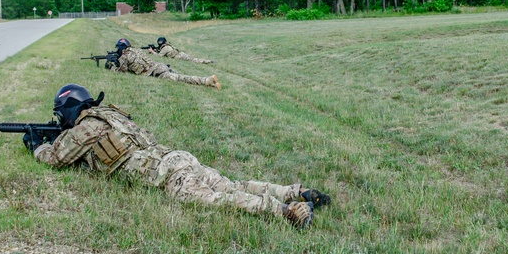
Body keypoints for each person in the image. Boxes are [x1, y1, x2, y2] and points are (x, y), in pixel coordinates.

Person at [27, 84, 331, 228]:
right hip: (178, 158)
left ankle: (286, 210)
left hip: (169, 176)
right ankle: (294, 190)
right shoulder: (109, 116)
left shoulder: (85, 128)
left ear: (68, 110)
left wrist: (36, 145)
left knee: (219, 198)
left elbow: (55, 160)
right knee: (230, 184)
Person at [110, 38, 221, 90]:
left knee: (179, 78)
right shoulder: (137, 50)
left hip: (155, 71)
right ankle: (211, 83)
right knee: (180, 76)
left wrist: (112, 66)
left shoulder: (124, 56)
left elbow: (121, 71)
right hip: (160, 65)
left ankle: (206, 80)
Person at [146, 36, 214, 64]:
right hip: (180, 54)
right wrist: (155, 50)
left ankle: (208, 61)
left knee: (194, 60)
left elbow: (159, 56)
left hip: (179, 56)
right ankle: (208, 61)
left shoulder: (165, 47)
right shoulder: (166, 46)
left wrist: (152, 52)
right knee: (193, 59)